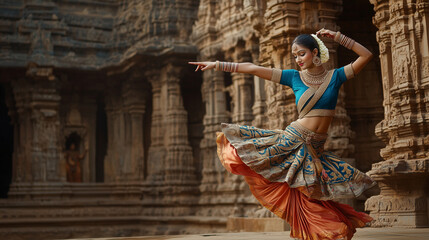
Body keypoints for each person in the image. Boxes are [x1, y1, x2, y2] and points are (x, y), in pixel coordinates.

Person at [189, 28, 376, 240]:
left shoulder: (336, 76)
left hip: (315, 148)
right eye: (294, 55)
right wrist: (217, 65)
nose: (298, 59)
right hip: (293, 139)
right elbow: (253, 68)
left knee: (311, 196)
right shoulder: (294, 77)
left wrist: (338, 37)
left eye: (302, 54)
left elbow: (366, 55)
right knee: (289, 185)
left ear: (315, 53)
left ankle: (319, 233)